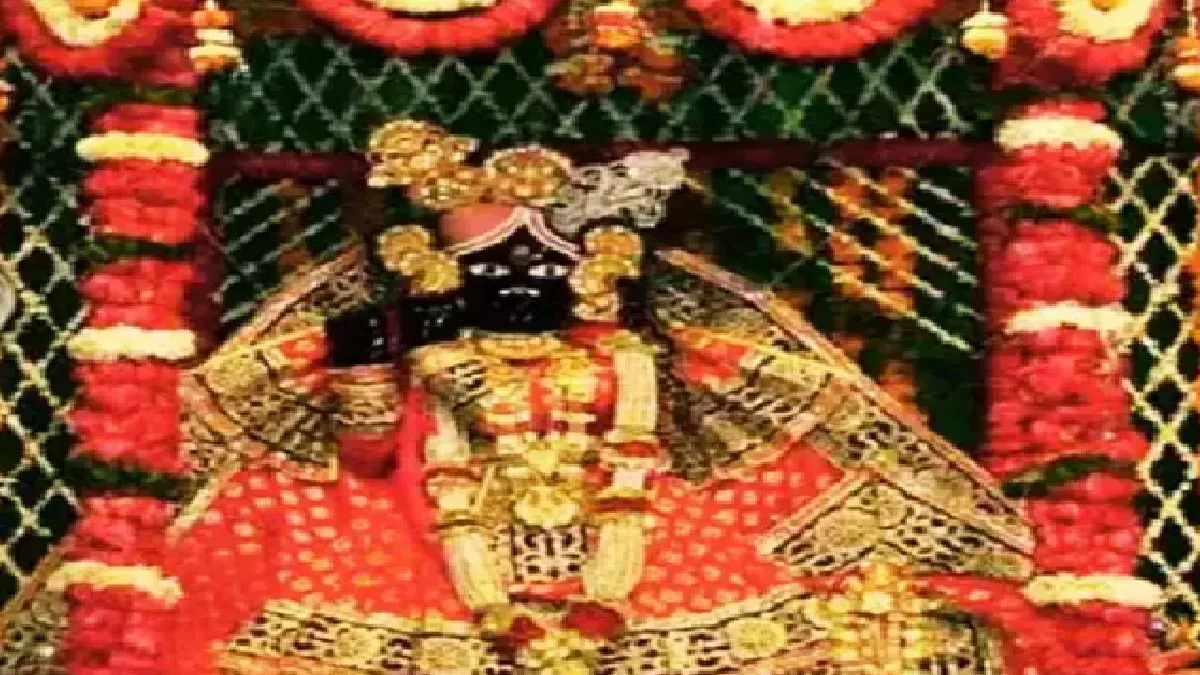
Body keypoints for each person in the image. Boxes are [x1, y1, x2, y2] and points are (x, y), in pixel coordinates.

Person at [164, 119, 1035, 675]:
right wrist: (368, 367)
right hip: (428, 554)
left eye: (539, 272)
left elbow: (773, 401)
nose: (517, 289)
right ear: (432, 272)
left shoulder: (637, 353)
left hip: (642, 557)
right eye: (489, 273)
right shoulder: (409, 349)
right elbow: (367, 451)